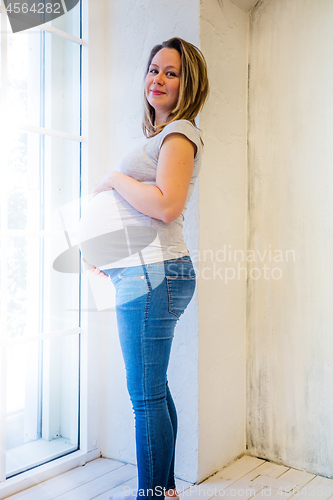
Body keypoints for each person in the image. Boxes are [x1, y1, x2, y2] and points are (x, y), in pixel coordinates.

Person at [80, 37, 209, 500]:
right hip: (144, 273)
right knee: (153, 390)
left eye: (171, 72)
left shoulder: (180, 135)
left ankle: (153, 495)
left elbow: (166, 205)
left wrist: (114, 179)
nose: (157, 78)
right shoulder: (160, 137)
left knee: (145, 398)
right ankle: (165, 490)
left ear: (187, 83)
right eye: (154, 69)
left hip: (154, 275)